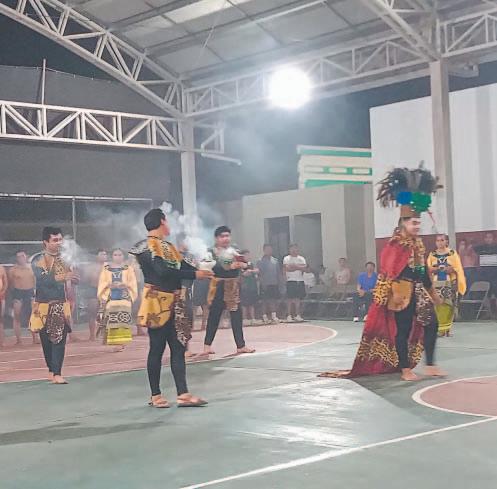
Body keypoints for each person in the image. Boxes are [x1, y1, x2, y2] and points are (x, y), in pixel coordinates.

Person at [319, 165, 444, 382]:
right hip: (400, 294)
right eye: (414, 223)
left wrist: (432, 293)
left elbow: (421, 271)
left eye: (418, 223)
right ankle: (405, 369)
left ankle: (431, 364)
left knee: (432, 324)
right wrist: (395, 292)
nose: (417, 226)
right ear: (403, 223)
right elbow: (390, 272)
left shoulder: (418, 245)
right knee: (403, 330)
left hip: (418, 292)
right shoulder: (395, 245)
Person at [130, 208, 212, 408]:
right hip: (157, 303)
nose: (169, 224)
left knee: (178, 347)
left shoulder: (169, 247)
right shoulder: (145, 247)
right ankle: (155, 395)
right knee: (157, 348)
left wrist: (205, 270)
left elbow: (182, 266)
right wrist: (195, 275)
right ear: (161, 221)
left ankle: (183, 393)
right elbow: (162, 272)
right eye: (166, 221)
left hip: (176, 303)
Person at [29, 227, 78, 384]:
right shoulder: (38, 259)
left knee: (59, 339)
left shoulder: (65, 258)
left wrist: (74, 278)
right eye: (55, 240)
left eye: (60, 239)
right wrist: (65, 276)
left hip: (61, 304)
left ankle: (57, 373)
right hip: (43, 305)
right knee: (46, 341)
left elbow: (72, 279)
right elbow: (43, 280)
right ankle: (51, 370)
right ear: (45, 242)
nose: (59, 243)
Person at [203, 226, 256, 355]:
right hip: (218, 286)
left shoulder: (234, 251)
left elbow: (245, 264)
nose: (226, 238)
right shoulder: (211, 252)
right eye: (222, 236)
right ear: (217, 238)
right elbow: (210, 267)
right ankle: (207, 346)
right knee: (214, 316)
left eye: (227, 236)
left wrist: (243, 265)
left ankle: (241, 345)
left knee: (236, 316)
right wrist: (230, 266)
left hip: (233, 287)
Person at [97, 248, 138, 352]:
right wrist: (109, 285)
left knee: (123, 321)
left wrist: (124, 284)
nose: (117, 257)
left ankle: (121, 343)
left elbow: (133, 282)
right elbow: (102, 282)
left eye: (120, 255)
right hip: (111, 298)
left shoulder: (128, 268)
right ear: (112, 256)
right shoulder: (106, 268)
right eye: (115, 255)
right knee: (112, 320)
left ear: (123, 256)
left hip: (124, 298)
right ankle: (115, 342)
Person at [428, 235, 466, 337]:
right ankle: (440, 330)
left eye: (442, 240)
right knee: (438, 306)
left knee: (449, 305)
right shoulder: (432, 254)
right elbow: (428, 268)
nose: (440, 242)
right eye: (437, 240)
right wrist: (434, 269)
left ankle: (447, 329)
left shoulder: (452, 253)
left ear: (447, 242)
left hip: (450, 283)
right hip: (436, 284)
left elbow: (458, 268)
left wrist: (452, 270)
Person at [9, 250, 36, 345]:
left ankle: (35, 338)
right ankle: (18, 340)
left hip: (30, 292)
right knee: (17, 316)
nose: (21, 258)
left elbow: (35, 281)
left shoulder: (32, 268)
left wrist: (34, 292)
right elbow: (10, 282)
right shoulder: (13, 270)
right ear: (17, 258)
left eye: (22, 256)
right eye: (19, 257)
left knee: (32, 316)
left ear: (26, 257)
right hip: (18, 292)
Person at [83, 249, 108, 341]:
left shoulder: (109, 266)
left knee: (107, 313)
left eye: (105, 254)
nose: (104, 256)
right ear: (97, 256)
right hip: (93, 289)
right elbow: (85, 279)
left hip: (106, 290)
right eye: (102, 254)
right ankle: (92, 335)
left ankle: (106, 333)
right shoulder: (91, 267)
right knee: (92, 312)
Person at [257, 244, 281, 324]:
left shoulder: (275, 260)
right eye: (267, 249)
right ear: (264, 250)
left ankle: (274, 316)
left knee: (273, 300)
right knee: (264, 301)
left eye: (270, 249)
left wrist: (279, 282)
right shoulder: (260, 261)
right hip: (265, 284)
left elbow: (278, 273)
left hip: (274, 283)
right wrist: (262, 283)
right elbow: (259, 274)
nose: (269, 251)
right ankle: (264, 317)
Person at [283, 244, 307, 322]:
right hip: (290, 280)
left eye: (295, 249)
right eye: (292, 249)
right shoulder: (286, 258)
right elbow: (287, 268)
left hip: (299, 280)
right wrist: (298, 267)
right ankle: (289, 315)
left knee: (298, 299)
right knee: (289, 299)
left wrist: (294, 266)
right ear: (289, 250)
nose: (294, 250)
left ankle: (297, 315)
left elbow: (304, 268)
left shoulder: (301, 258)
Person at [240, 249, 259, 326]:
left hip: (252, 287)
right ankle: (244, 319)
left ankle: (252, 318)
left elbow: (256, 271)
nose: (248, 256)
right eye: (246, 255)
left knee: (252, 303)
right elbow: (244, 274)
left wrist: (252, 271)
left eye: (248, 255)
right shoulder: (240, 265)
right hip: (244, 287)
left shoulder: (251, 264)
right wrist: (250, 272)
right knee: (244, 304)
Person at [0, 264, 8, 348]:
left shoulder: (1, 268)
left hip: (1, 297)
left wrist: (3, 292)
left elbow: (5, 283)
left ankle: (1, 341)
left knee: (0, 320)